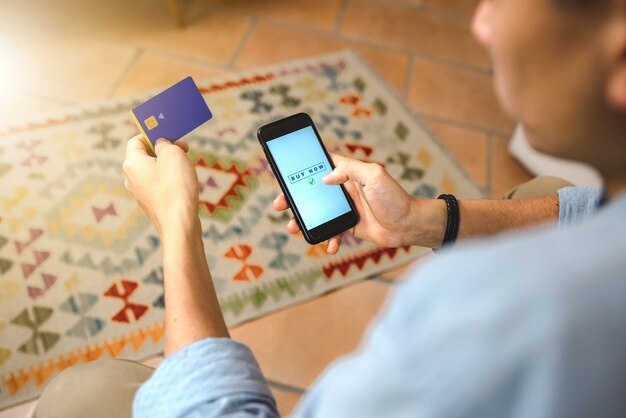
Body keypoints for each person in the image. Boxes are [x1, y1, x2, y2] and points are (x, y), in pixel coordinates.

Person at [34, 0, 626, 417]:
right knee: (546, 186)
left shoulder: (473, 317)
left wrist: (178, 223)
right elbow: (586, 211)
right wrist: (421, 218)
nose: (481, 22)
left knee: (77, 396)